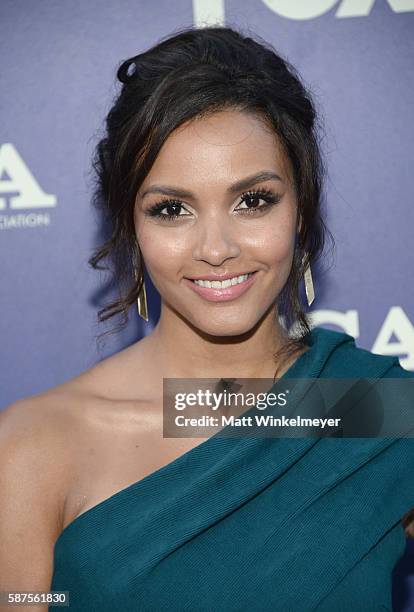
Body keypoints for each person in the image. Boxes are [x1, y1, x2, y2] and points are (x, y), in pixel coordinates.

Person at [0, 25, 413, 612]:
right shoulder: (37, 443)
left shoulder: (378, 407)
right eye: (172, 209)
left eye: (254, 200)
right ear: (131, 226)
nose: (216, 248)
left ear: (301, 207)